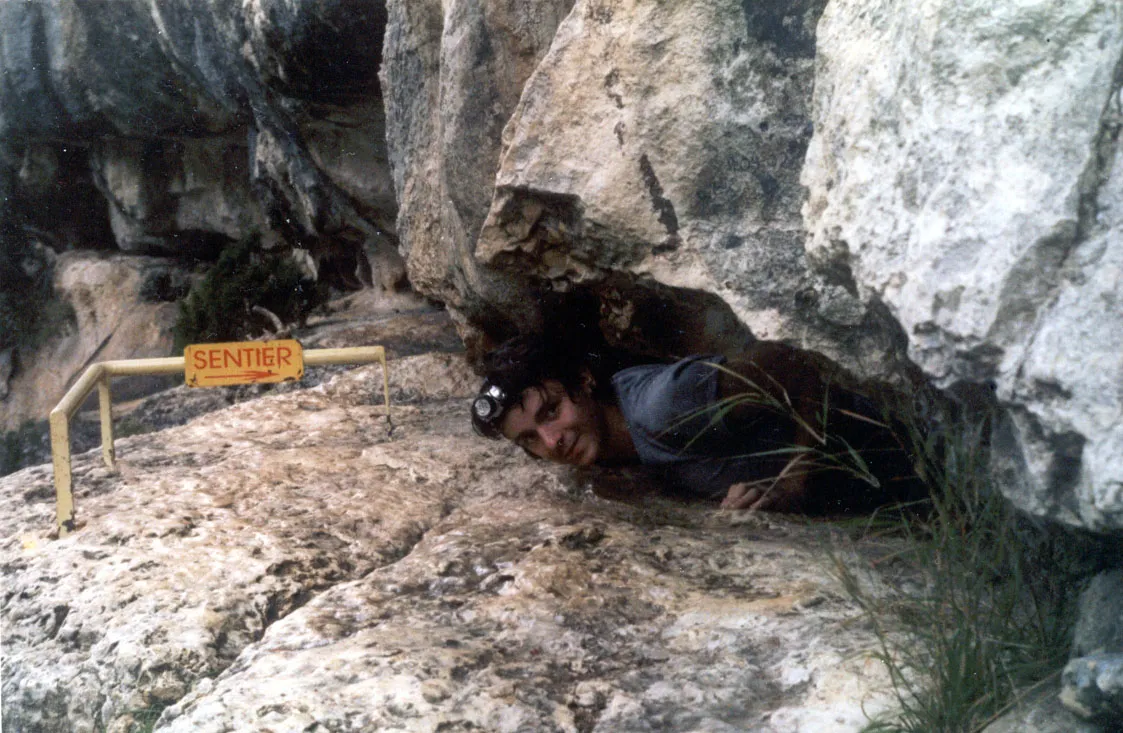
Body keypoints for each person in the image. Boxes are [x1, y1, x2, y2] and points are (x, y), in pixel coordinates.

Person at [471, 333, 921, 513]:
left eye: (551, 411)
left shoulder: (663, 405)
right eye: (530, 439)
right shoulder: (610, 441)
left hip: (908, 466)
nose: (552, 441)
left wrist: (797, 476)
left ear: (585, 382)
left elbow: (793, 363)